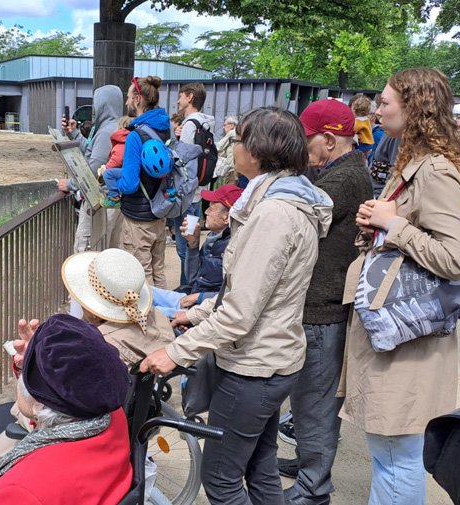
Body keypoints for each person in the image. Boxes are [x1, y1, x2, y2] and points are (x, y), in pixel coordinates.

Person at [141, 107, 333, 505]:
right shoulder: (280, 201)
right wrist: (193, 314)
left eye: (240, 140)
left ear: (259, 151)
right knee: (260, 469)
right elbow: (249, 293)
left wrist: (174, 353)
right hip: (272, 359)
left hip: (254, 367)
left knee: (222, 480)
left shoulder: (273, 215)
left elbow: (240, 314)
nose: (234, 147)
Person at [0, 248, 172, 504]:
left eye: (80, 291)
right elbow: (65, 393)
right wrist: (41, 361)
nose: (71, 295)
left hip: (54, 434)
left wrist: (35, 372)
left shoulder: (103, 348)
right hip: (96, 438)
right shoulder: (150, 325)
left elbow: (51, 406)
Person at [341, 68, 460, 505]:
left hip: (409, 338)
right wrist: (377, 224)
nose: (376, 110)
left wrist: (393, 223)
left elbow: (455, 258)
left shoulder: (434, 171)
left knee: (397, 454)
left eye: (384, 102)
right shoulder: (413, 163)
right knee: (388, 451)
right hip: (398, 334)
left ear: (415, 108)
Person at [277, 99, 373, 505]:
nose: (303, 150)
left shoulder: (341, 181)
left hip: (323, 307)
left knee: (315, 404)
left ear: (330, 141)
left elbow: (290, 220)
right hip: (319, 305)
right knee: (306, 400)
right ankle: (306, 466)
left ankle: (313, 490)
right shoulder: (341, 172)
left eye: (307, 140)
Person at [0, 314, 133, 504]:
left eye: (26, 375)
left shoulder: (23, 491)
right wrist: (36, 365)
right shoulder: (110, 413)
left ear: (39, 406)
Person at [151, 184, 242, 318]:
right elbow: (192, 279)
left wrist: (198, 297)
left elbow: (235, 297)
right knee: (142, 291)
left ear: (226, 217)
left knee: (146, 311)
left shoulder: (234, 247)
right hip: (191, 300)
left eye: (212, 208)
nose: (206, 212)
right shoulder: (214, 237)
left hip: (203, 311)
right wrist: (193, 244)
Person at [117, 76, 172, 288]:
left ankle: (149, 321)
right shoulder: (164, 128)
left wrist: (114, 183)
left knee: (140, 276)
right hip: (159, 213)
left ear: (138, 99)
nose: (127, 102)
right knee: (158, 272)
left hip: (137, 219)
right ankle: (165, 319)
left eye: (129, 97)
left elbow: (129, 184)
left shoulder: (135, 136)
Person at [58, 85, 124, 251]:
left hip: (99, 201)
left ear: (103, 105)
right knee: (110, 250)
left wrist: (70, 185)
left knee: (86, 250)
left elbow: (93, 168)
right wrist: (74, 134)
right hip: (114, 200)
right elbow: (93, 153)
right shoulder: (116, 127)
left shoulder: (105, 132)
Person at [172, 82, 215, 289]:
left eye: (180, 96)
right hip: (198, 194)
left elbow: (182, 161)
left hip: (186, 196)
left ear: (190, 97)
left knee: (184, 247)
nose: (178, 100)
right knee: (191, 241)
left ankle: (186, 287)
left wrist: (175, 139)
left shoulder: (190, 125)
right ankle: (188, 285)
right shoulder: (206, 124)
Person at [99, 116, 134, 208]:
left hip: (127, 171)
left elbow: (117, 159)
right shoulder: (134, 139)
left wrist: (105, 168)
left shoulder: (122, 142)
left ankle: (114, 197)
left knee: (108, 174)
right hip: (132, 170)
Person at [216, 115, 239, 185]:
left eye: (225, 125)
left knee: (230, 189)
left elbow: (219, 147)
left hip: (232, 168)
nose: (223, 127)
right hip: (238, 167)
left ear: (232, 125)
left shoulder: (232, 133)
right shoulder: (238, 133)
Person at [351, 95, 375, 161]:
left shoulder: (358, 121)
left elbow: (352, 131)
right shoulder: (366, 120)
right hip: (370, 144)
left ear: (355, 110)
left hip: (362, 145)